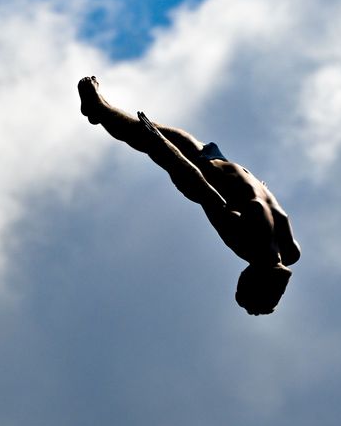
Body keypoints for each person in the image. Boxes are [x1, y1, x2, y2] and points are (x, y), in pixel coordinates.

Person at [78, 76, 301, 315]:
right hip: (222, 164)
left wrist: (161, 146)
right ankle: (100, 111)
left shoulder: (246, 243)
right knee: (145, 132)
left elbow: (199, 189)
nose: (241, 275)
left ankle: (98, 107)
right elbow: (239, 199)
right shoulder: (289, 251)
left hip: (205, 168)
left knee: (139, 134)